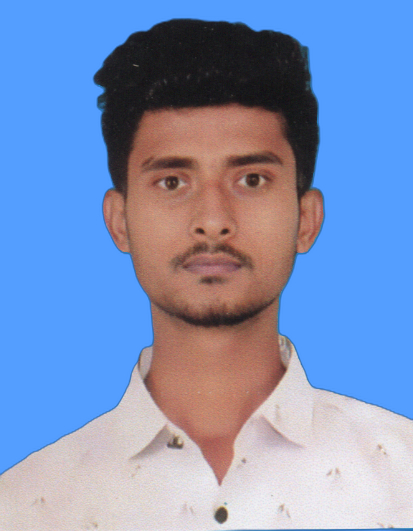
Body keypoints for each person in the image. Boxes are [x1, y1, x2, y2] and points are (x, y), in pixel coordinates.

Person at [1, 18, 412, 531]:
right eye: (172, 182)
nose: (213, 220)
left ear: (306, 220)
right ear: (119, 221)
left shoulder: (403, 478)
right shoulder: (26, 506)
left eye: (252, 179)